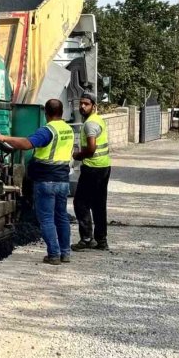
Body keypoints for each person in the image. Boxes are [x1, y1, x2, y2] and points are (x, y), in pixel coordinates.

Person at [0, 99, 75, 265]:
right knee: (61, 218)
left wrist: (3, 137)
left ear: (46, 113)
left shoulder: (48, 130)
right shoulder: (68, 129)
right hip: (63, 181)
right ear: (62, 112)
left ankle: (53, 254)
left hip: (46, 181)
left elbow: (27, 144)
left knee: (47, 219)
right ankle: (65, 253)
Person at [71, 92, 112, 251]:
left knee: (80, 203)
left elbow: (92, 147)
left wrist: (78, 155)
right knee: (99, 204)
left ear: (94, 106)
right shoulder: (98, 120)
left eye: (86, 104)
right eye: (81, 103)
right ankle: (101, 240)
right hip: (104, 166)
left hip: (93, 168)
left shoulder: (90, 124)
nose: (82, 106)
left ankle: (87, 239)